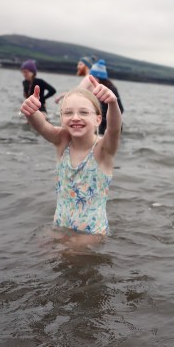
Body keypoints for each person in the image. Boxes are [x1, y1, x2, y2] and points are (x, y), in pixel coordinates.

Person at [19, 74, 122, 239]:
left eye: (83, 112)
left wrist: (112, 103)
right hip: (60, 225)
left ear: (97, 119)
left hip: (92, 234)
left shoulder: (103, 150)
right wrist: (31, 112)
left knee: (68, 254)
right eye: (68, 113)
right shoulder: (62, 141)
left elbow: (115, 130)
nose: (75, 117)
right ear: (61, 118)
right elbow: (42, 126)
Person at [88, 58, 124, 135]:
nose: (90, 80)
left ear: (97, 77)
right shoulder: (101, 86)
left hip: (109, 125)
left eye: (92, 77)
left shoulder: (109, 89)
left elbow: (120, 109)